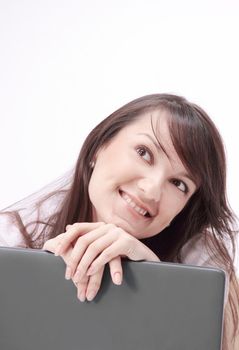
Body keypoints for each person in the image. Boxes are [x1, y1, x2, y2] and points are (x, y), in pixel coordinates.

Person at [0, 93, 238, 349]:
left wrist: (157, 280)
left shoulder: (205, 269)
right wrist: (42, 280)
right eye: (144, 153)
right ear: (99, 146)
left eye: (179, 184)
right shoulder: (13, 239)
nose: (152, 190)